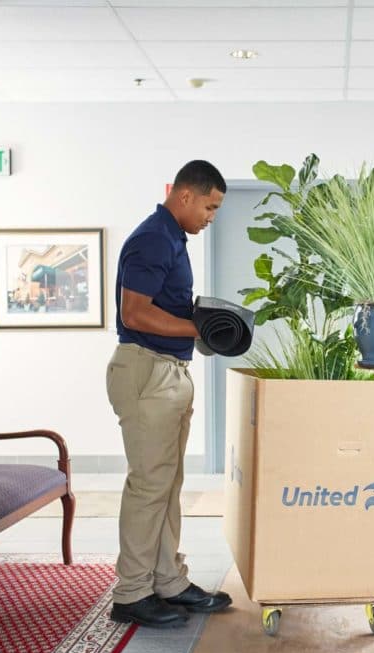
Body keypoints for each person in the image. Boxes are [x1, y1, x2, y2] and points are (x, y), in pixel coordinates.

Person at [107, 160, 232, 629]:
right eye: (209, 206)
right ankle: (132, 592)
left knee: (167, 483)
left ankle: (167, 580)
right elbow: (135, 313)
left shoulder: (171, 237)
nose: (210, 216)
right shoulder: (153, 238)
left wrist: (199, 326)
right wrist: (201, 329)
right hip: (147, 371)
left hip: (168, 370)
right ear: (185, 196)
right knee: (148, 485)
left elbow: (162, 306)